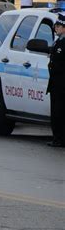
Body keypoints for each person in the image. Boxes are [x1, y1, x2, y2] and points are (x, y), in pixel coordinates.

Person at [46, 13, 65, 147]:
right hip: (55, 83)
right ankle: (57, 137)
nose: (55, 28)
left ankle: (60, 138)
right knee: (56, 111)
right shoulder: (58, 41)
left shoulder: (63, 43)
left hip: (62, 83)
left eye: (58, 25)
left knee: (60, 112)